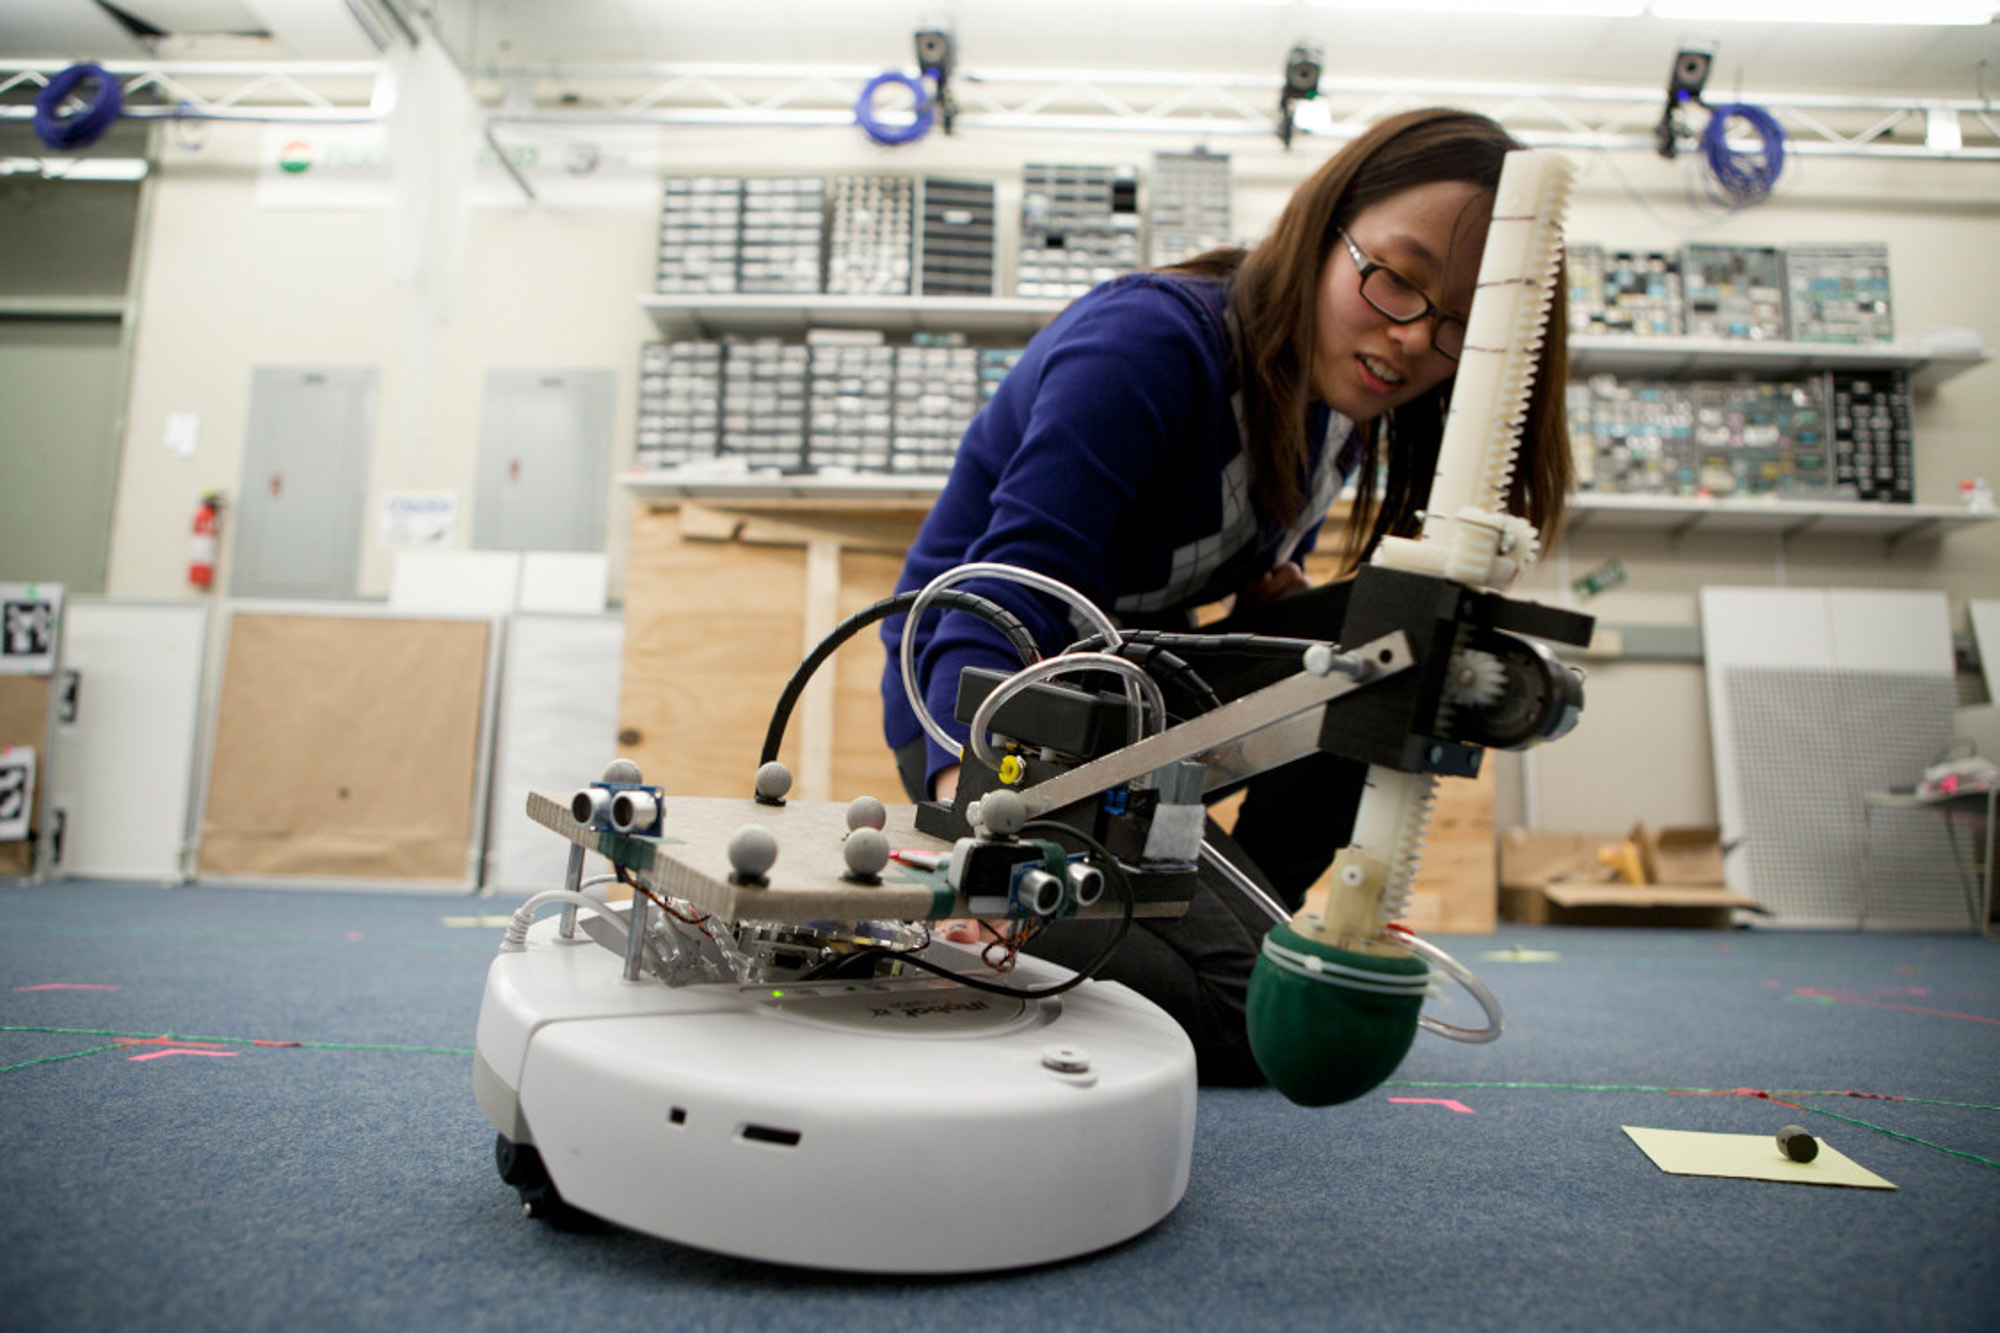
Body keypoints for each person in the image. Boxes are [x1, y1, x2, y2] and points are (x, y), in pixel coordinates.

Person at [879, 107, 1573, 1084]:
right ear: (1322, 222)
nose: (1412, 339)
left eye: (1455, 323)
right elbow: (1001, 590)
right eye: (1395, 280)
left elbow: (1214, 538)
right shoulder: (1144, 344)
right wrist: (975, 807)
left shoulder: (1344, 403)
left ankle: (1236, 919)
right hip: (985, 703)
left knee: (1389, 637)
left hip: (1133, 702)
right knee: (1251, 1021)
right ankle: (948, 910)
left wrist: (1266, 590)